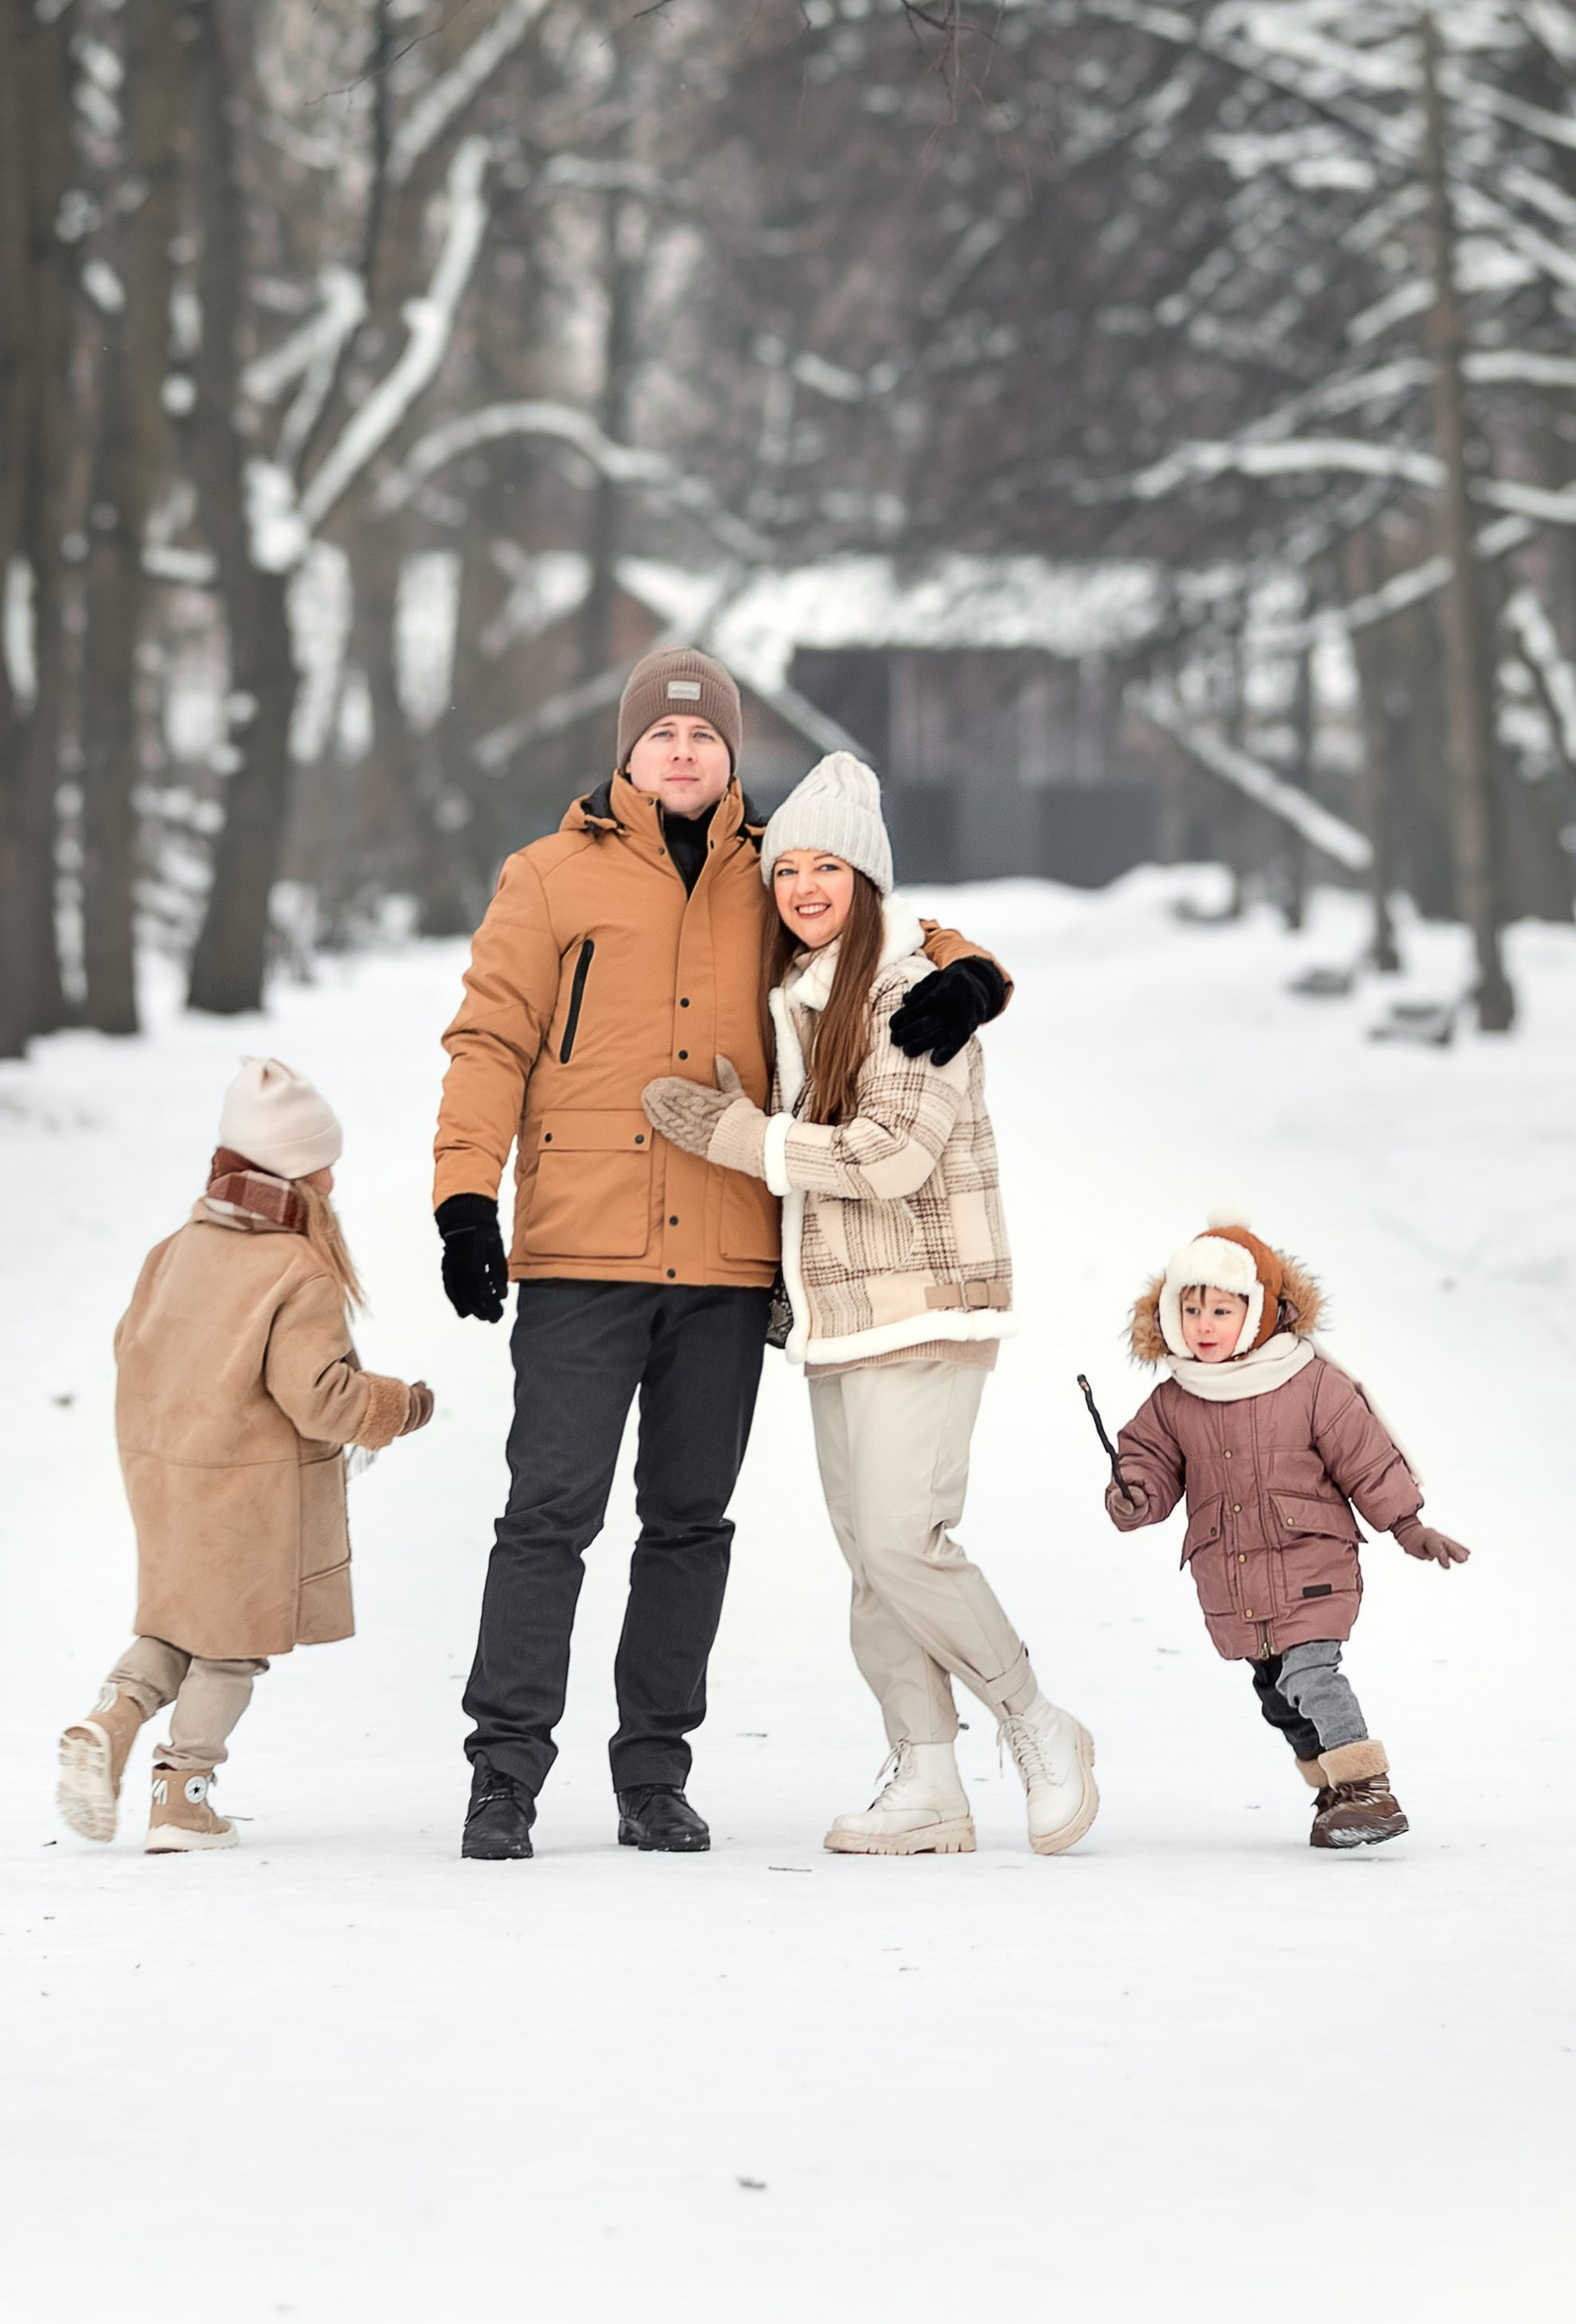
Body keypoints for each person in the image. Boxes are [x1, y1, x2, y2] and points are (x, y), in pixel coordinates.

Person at [433, 644, 1011, 1861]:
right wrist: (464, 1201)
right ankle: (504, 1773)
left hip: (729, 1261)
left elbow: (893, 922)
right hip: (582, 1251)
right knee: (547, 1513)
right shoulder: (544, 877)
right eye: (661, 736)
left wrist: (970, 979)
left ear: (730, 754)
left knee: (687, 1522)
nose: (683, 752)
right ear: (628, 750)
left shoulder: (773, 873)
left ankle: (653, 1771)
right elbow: (487, 1039)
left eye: (704, 737)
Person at [642, 753, 1095, 1858]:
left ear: (867, 878)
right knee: (873, 1558)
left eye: (827, 867)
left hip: (925, 1303)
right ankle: (927, 1779)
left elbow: (892, 1156)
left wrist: (743, 1139)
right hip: (838, 1315)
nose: (802, 887)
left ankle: (1035, 1720)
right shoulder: (799, 990)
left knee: (903, 1538)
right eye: (787, 867)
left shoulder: (908, 992)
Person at [56, 1053, 434, 1854]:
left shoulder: (175, 1247)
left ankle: (111, 1718)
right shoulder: (296, 1266)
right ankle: (182, 1798)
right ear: (296, 1172)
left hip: (166, 1472)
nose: (333, 1181)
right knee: (230, 1647)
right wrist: (400, 1405)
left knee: (177, 1621)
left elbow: (131, 1348)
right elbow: (319, 1395)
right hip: (250, 1487)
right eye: (323, 1164)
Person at [1102, 1217, 1469, 1847]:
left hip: (1311, 1564)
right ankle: (1333, 1790)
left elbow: (1367, 1456)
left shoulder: (1308, 1383)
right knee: (1279, 1697)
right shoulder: (1176, 1401)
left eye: (1222, 1309)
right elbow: (1148, 1465)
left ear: (1259, 1311)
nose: (1205, 1325)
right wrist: (1134, 1495)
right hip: (1237, 1578)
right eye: (1191, 1311)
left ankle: (1369, 1789)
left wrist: (1407, 1525)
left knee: (1310, 1675)